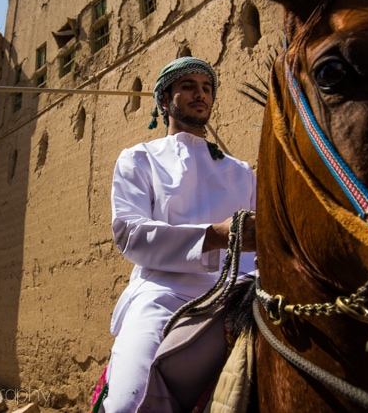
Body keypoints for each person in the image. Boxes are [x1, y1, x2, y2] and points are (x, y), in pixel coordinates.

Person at [101, 57, 257, 412]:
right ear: (164, 99)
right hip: (163, 293)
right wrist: (214, 236)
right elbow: (130, 233)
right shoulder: (139, 159)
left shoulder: (242, 172)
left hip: (241, 290)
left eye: (206, 88)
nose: (199, 94)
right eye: (188, 86)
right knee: (129, 403)